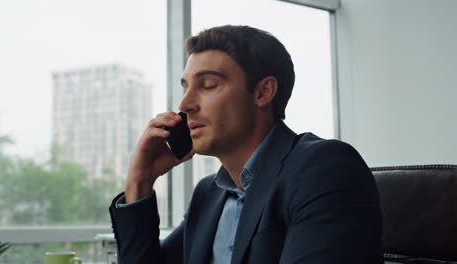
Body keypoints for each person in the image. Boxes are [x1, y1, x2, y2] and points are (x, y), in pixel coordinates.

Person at [109, 25, 383, 264]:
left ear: (263, 92)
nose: (185, 105)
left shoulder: (325, 169)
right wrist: (139, 181)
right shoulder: (209, 193)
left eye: (208, 85)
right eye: (186, 87)